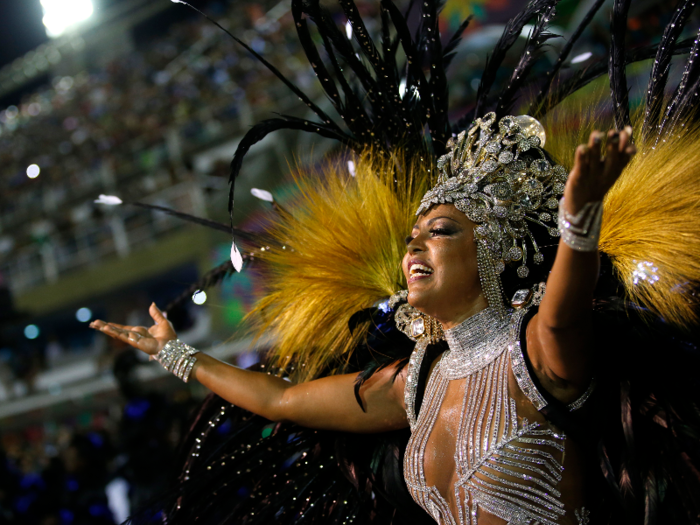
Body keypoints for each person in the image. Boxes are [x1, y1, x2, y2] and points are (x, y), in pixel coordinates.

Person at [89, 0, 700, 523]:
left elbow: (566, 313)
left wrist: (580, 219)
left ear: (495, 250)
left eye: (439, 231)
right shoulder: (417, 384)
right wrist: (176, 353)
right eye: (412, 237)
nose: (413, 248)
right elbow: (281, 401)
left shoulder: (536, 353)